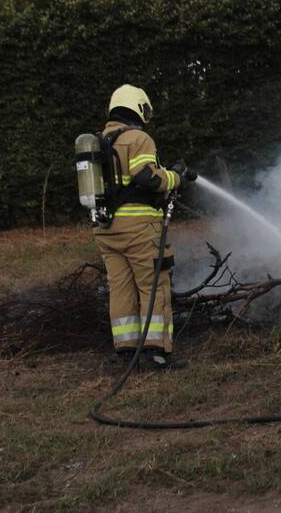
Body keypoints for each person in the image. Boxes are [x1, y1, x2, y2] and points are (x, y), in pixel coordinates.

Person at [94, 84, 196, 370]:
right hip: (139, 228)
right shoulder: (138, 138)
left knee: (121, 288)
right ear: (138, 107)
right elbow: (147, 177)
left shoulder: (100, 140)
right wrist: (176, 177)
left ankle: (126, 353)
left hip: (106, 229)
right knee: (154, 286)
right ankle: (155, 352)